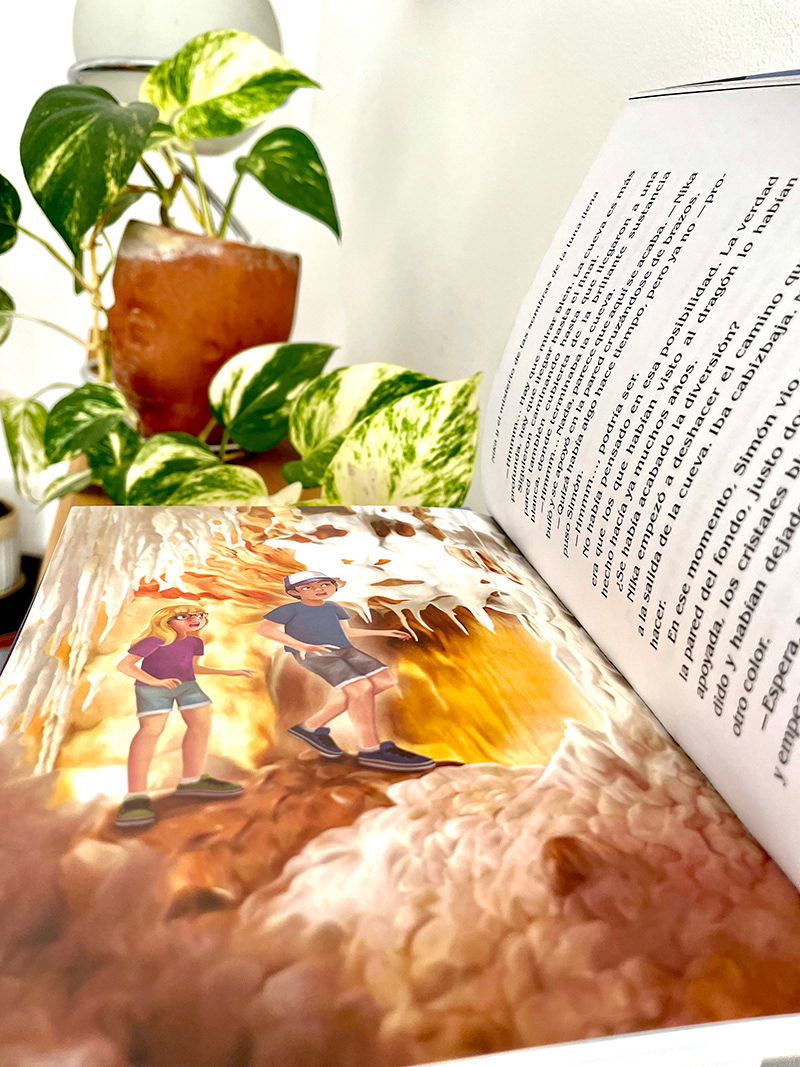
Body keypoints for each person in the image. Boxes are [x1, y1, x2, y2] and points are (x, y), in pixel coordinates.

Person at [257, 571, 435, 772]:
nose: (318, 589)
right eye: (308, 587)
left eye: (324, 584)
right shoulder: (289, 610)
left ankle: (310, 726)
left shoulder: (333, 608)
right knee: (361, 688)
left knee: (385, 679)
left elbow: (346, 632)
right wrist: (301, 645)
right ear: (296, 592)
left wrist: (383, 632)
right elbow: (265, 629)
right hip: (318, 654)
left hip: (345, 650)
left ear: (333, 586)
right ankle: (371, 750)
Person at [114, 604, 254, 829]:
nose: (194, 619)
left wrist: (228, 672)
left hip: (187, 685)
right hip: (153, 689)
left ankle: (192, 780)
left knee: (202, 723)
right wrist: (155, 682)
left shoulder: (195, 641)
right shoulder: (155, 640)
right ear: (165, 621)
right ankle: (135, 796)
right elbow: (125, 666)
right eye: (183, 616)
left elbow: (192, 668)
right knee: (151, 731)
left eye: (199, 615)